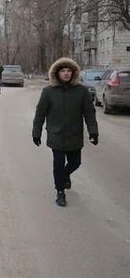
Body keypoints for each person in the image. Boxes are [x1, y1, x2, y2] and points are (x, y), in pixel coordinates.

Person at [32, 57, 98, 207]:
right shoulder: (48, 91)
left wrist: (93, 131)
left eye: (69, 71)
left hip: (75, 134)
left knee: (76, 162)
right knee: (58, 164)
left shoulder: (81, 91)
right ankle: (60, 191)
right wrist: (36, 132)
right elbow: (40, 113)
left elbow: (89, 112)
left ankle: (66, 174)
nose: (66, 73)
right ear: (57, 73)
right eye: (63, 71)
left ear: (73, 73)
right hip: (56, 134)